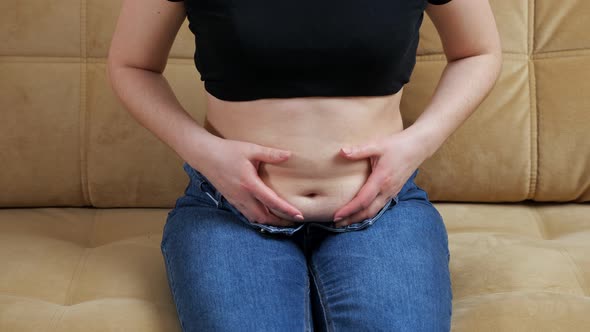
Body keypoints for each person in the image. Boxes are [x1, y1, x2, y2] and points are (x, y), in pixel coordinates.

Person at [107, 0, 502, 330]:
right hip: (229, 212)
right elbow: (132, 65)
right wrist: (205, 153)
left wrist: (418, 143)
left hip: (383, 211)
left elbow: (478, 51)